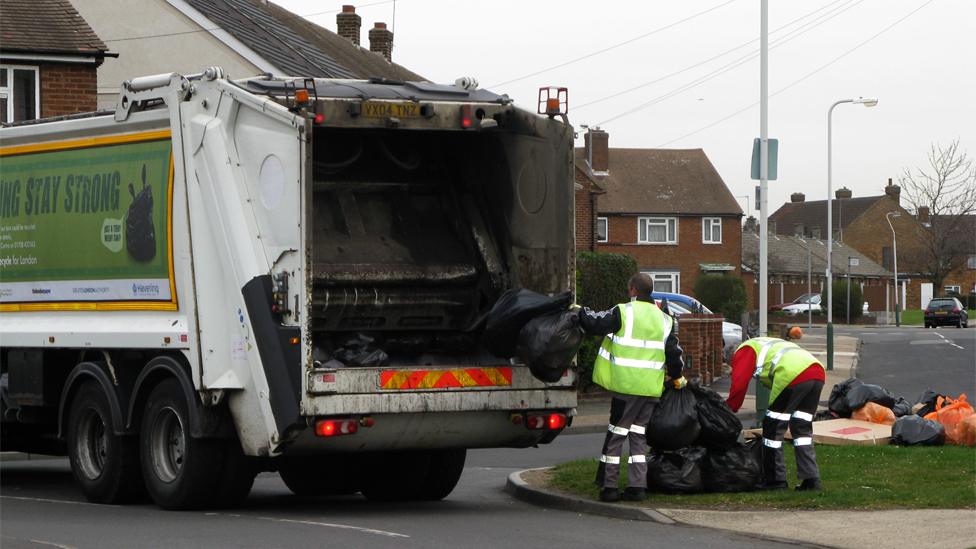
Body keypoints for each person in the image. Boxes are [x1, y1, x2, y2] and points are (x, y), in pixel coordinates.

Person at [578, 273, 685, 502]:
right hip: (650, 390)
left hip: (626, 387)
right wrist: (676, 377)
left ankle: (610, 487)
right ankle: (638, 487)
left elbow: (595, 323)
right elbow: (674, 355)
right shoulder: (665, 319)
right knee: (638, 436)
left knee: (617, 435)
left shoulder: (623, 312)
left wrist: (578, 311)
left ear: (633, 289)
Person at [726, 328, 825, 491]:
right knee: (802, 431)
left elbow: (739, 385)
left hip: (792, 375)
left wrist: (729, 410)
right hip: (816, 373)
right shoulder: (766, 343)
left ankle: (775, 481)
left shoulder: (744, 351)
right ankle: (811, 480)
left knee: (773, 429)